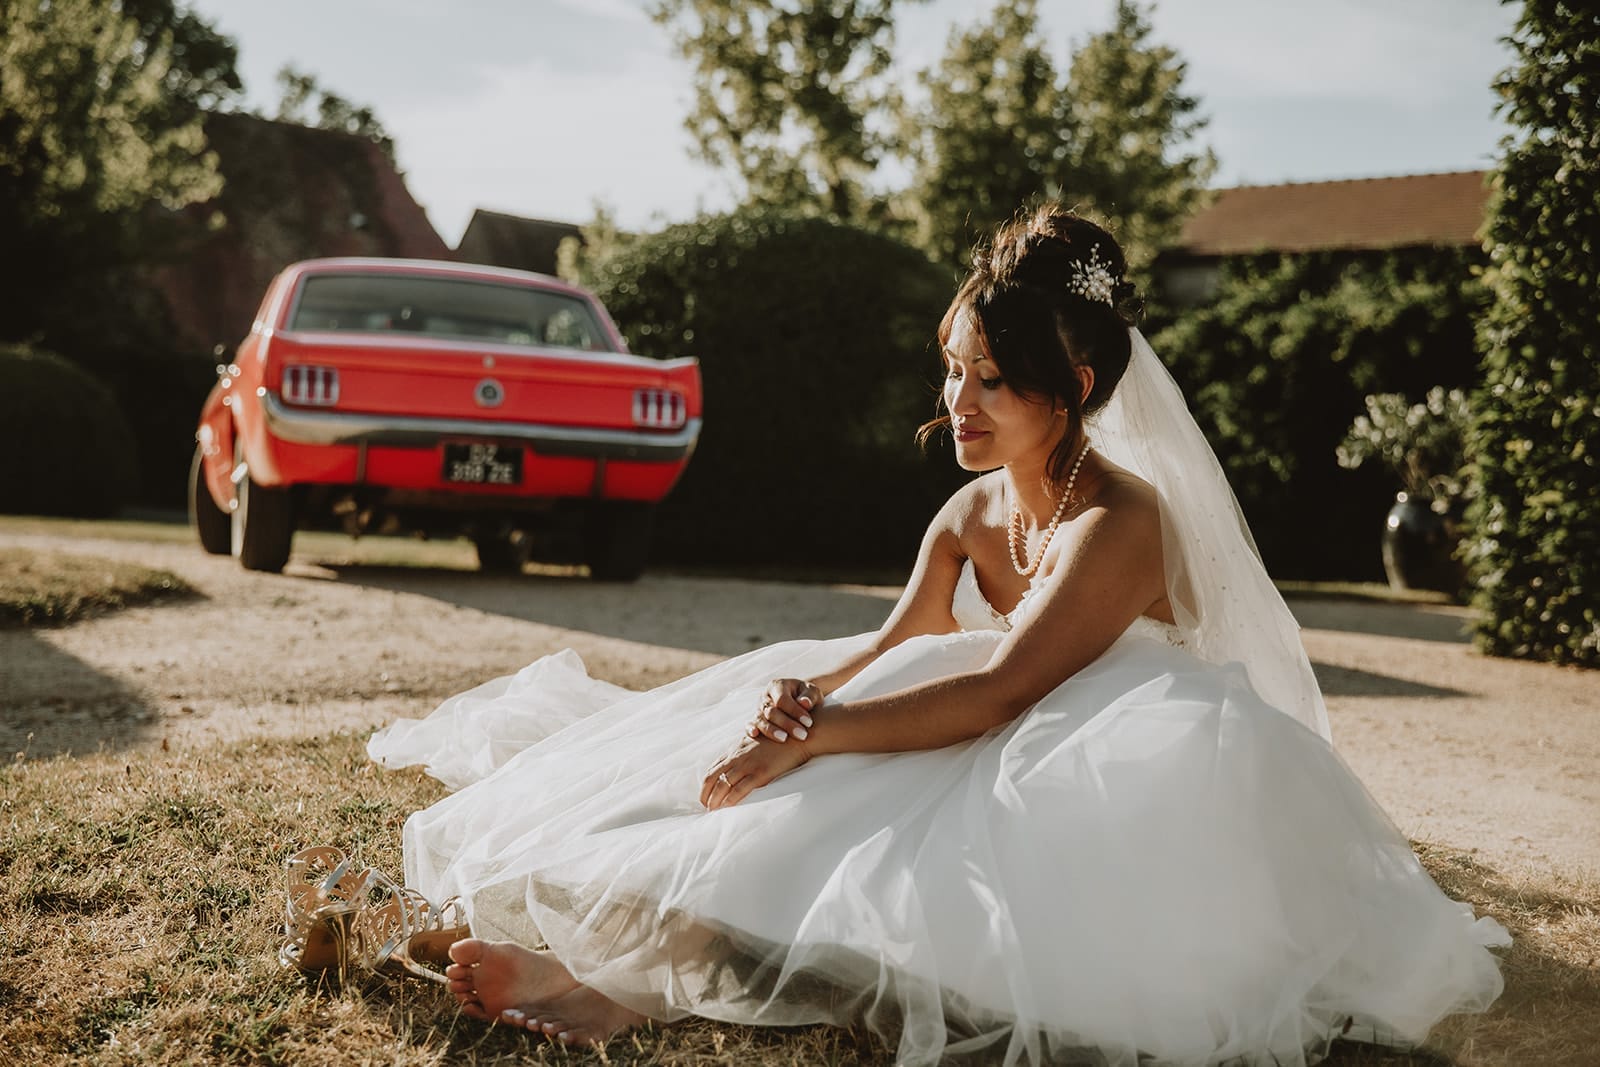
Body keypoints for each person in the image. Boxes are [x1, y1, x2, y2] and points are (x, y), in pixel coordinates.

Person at [366, 204, 1507, 1066]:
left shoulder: (1123, 519)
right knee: (786, 768)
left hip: (1115, 763)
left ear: (1077, 385)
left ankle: (618, 987)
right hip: (973, 724)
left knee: (876, 826)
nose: (957, 402)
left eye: (991, 382)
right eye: (953, 370)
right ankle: (622, 970)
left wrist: (823, 742)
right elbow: (895, 644)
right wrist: (803, 702)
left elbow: (1005, 685)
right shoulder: (968, 508)